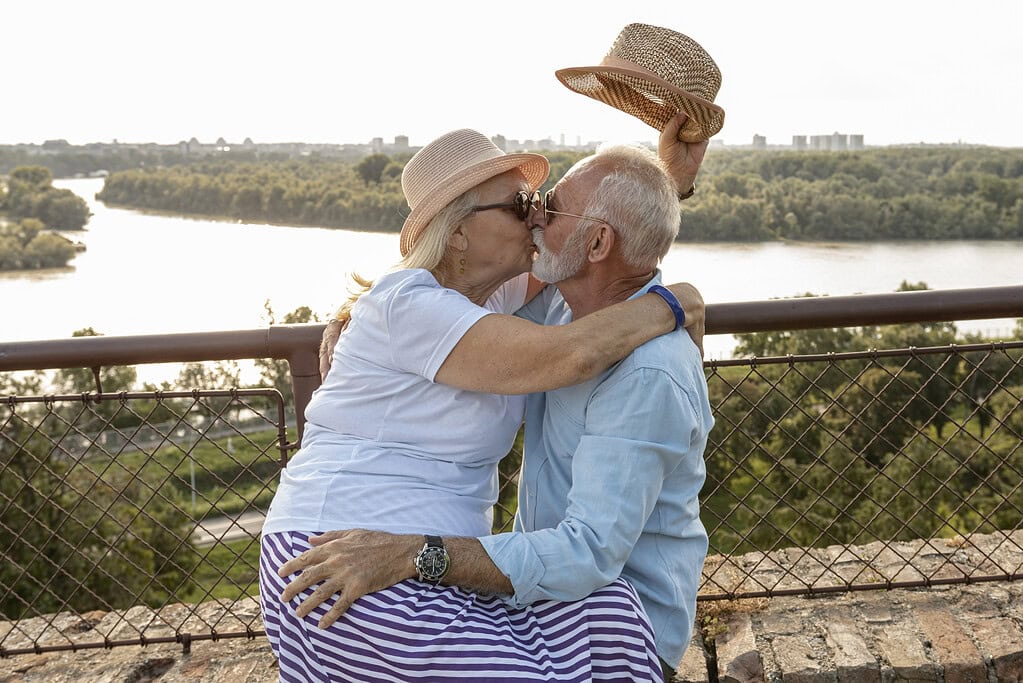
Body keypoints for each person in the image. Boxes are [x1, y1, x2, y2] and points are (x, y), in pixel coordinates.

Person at [259, 126, 706, 682]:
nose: (537, 216)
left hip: (414, 563)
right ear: (461, 232)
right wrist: (677, 301)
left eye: (541, 204)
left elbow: (611, 243)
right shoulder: (413, 307)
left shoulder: (499, 298)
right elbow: (580, 343)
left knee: (613, 624)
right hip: (343, 554)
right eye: (521, 205)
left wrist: (672, 185)